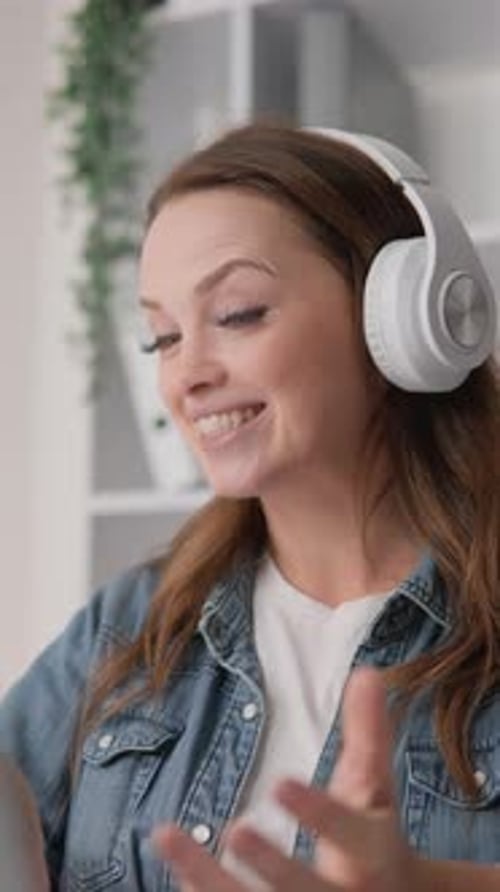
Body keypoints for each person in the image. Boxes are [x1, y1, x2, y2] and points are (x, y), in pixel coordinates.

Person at [1, 122, 500, 892]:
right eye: (162, 338)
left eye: (237, 314)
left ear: (399, 318)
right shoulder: (131, 627)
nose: (187, 375)